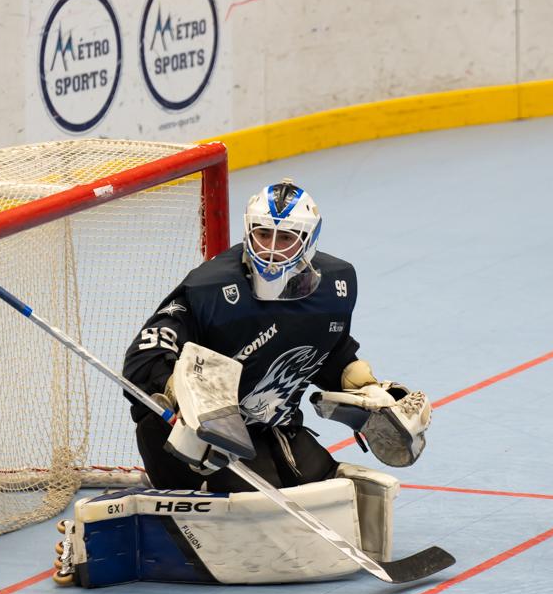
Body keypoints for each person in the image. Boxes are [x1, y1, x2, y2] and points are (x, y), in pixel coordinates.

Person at [123, 178, 430, 495]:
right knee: (254, 507)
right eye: (262, 234)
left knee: (334, 492)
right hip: (196, 442)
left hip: (275, 426)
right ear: (248, 231)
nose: (270, 248)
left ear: (309, 240)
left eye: (284, 237)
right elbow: (144, 357)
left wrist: (367, 389)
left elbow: (327, 352)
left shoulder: (334, 287)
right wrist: (185, 402)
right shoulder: (210, 287)